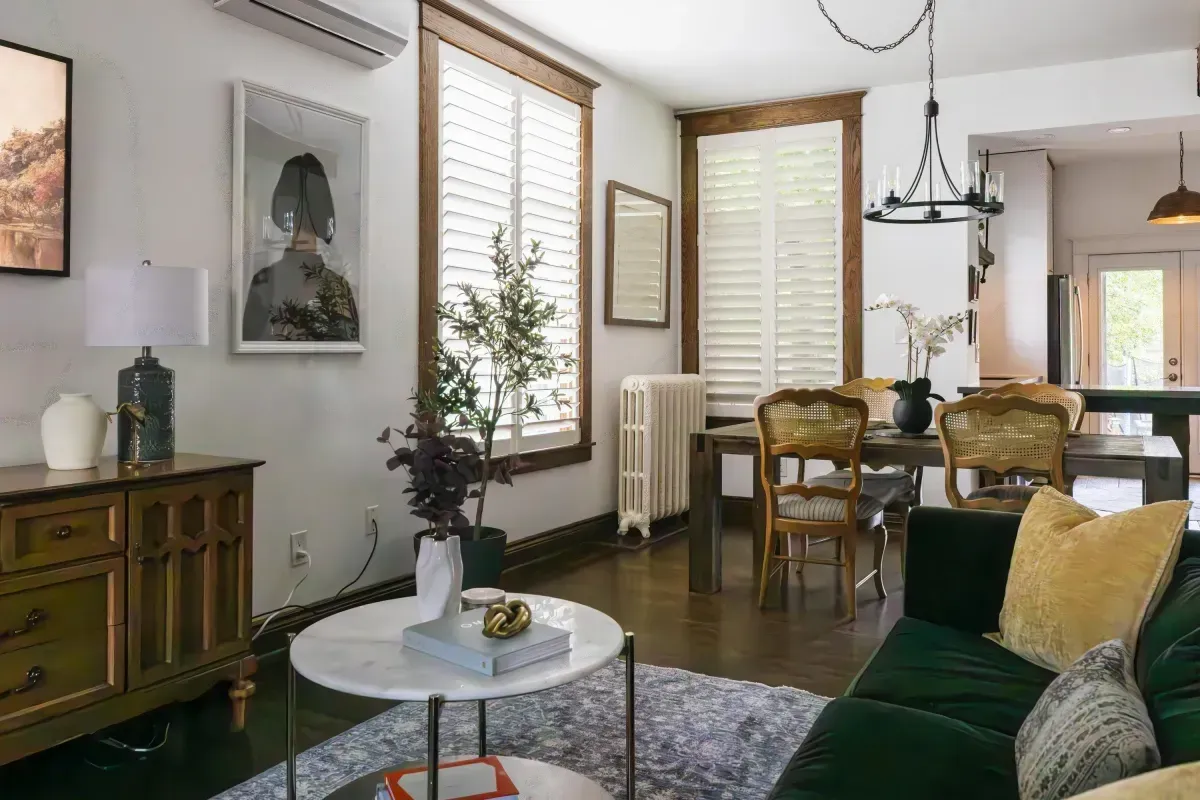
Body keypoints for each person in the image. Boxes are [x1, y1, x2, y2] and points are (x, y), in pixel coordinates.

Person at [242, 153, 358, 341]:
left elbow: (350, 347)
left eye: (310, 220)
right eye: (297, 219)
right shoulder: (265, 282)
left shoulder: (339, 287)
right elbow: (250, 344)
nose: (302, 230)